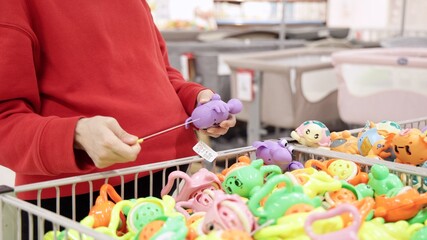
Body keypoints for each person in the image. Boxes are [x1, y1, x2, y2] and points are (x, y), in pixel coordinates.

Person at [0, 0, 237, 236]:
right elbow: (5, 120)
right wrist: (76, 134)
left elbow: (159, 71)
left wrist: (194, 98)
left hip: (169, 178)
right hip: (75, 198)